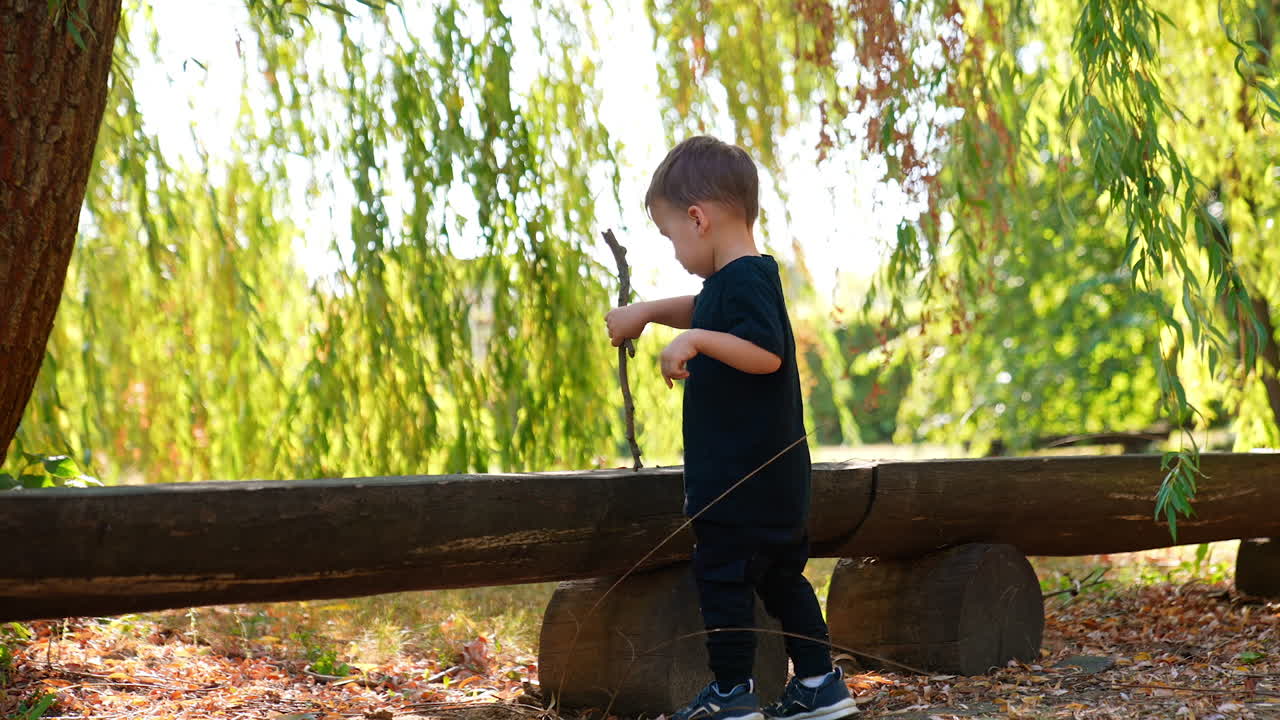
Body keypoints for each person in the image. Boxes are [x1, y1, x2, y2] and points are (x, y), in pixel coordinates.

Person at [605, 136, 859, 720]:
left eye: (670, 235)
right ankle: (819, 685)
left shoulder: (743, 281)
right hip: (772, 480)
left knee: (723, 578)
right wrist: (648, 313)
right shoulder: (738, 280)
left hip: (740, 481)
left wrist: (694, 340)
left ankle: (731, 695)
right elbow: (703, 309)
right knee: (782, 579)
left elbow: (766, 354)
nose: (674, 251)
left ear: (698, 219)